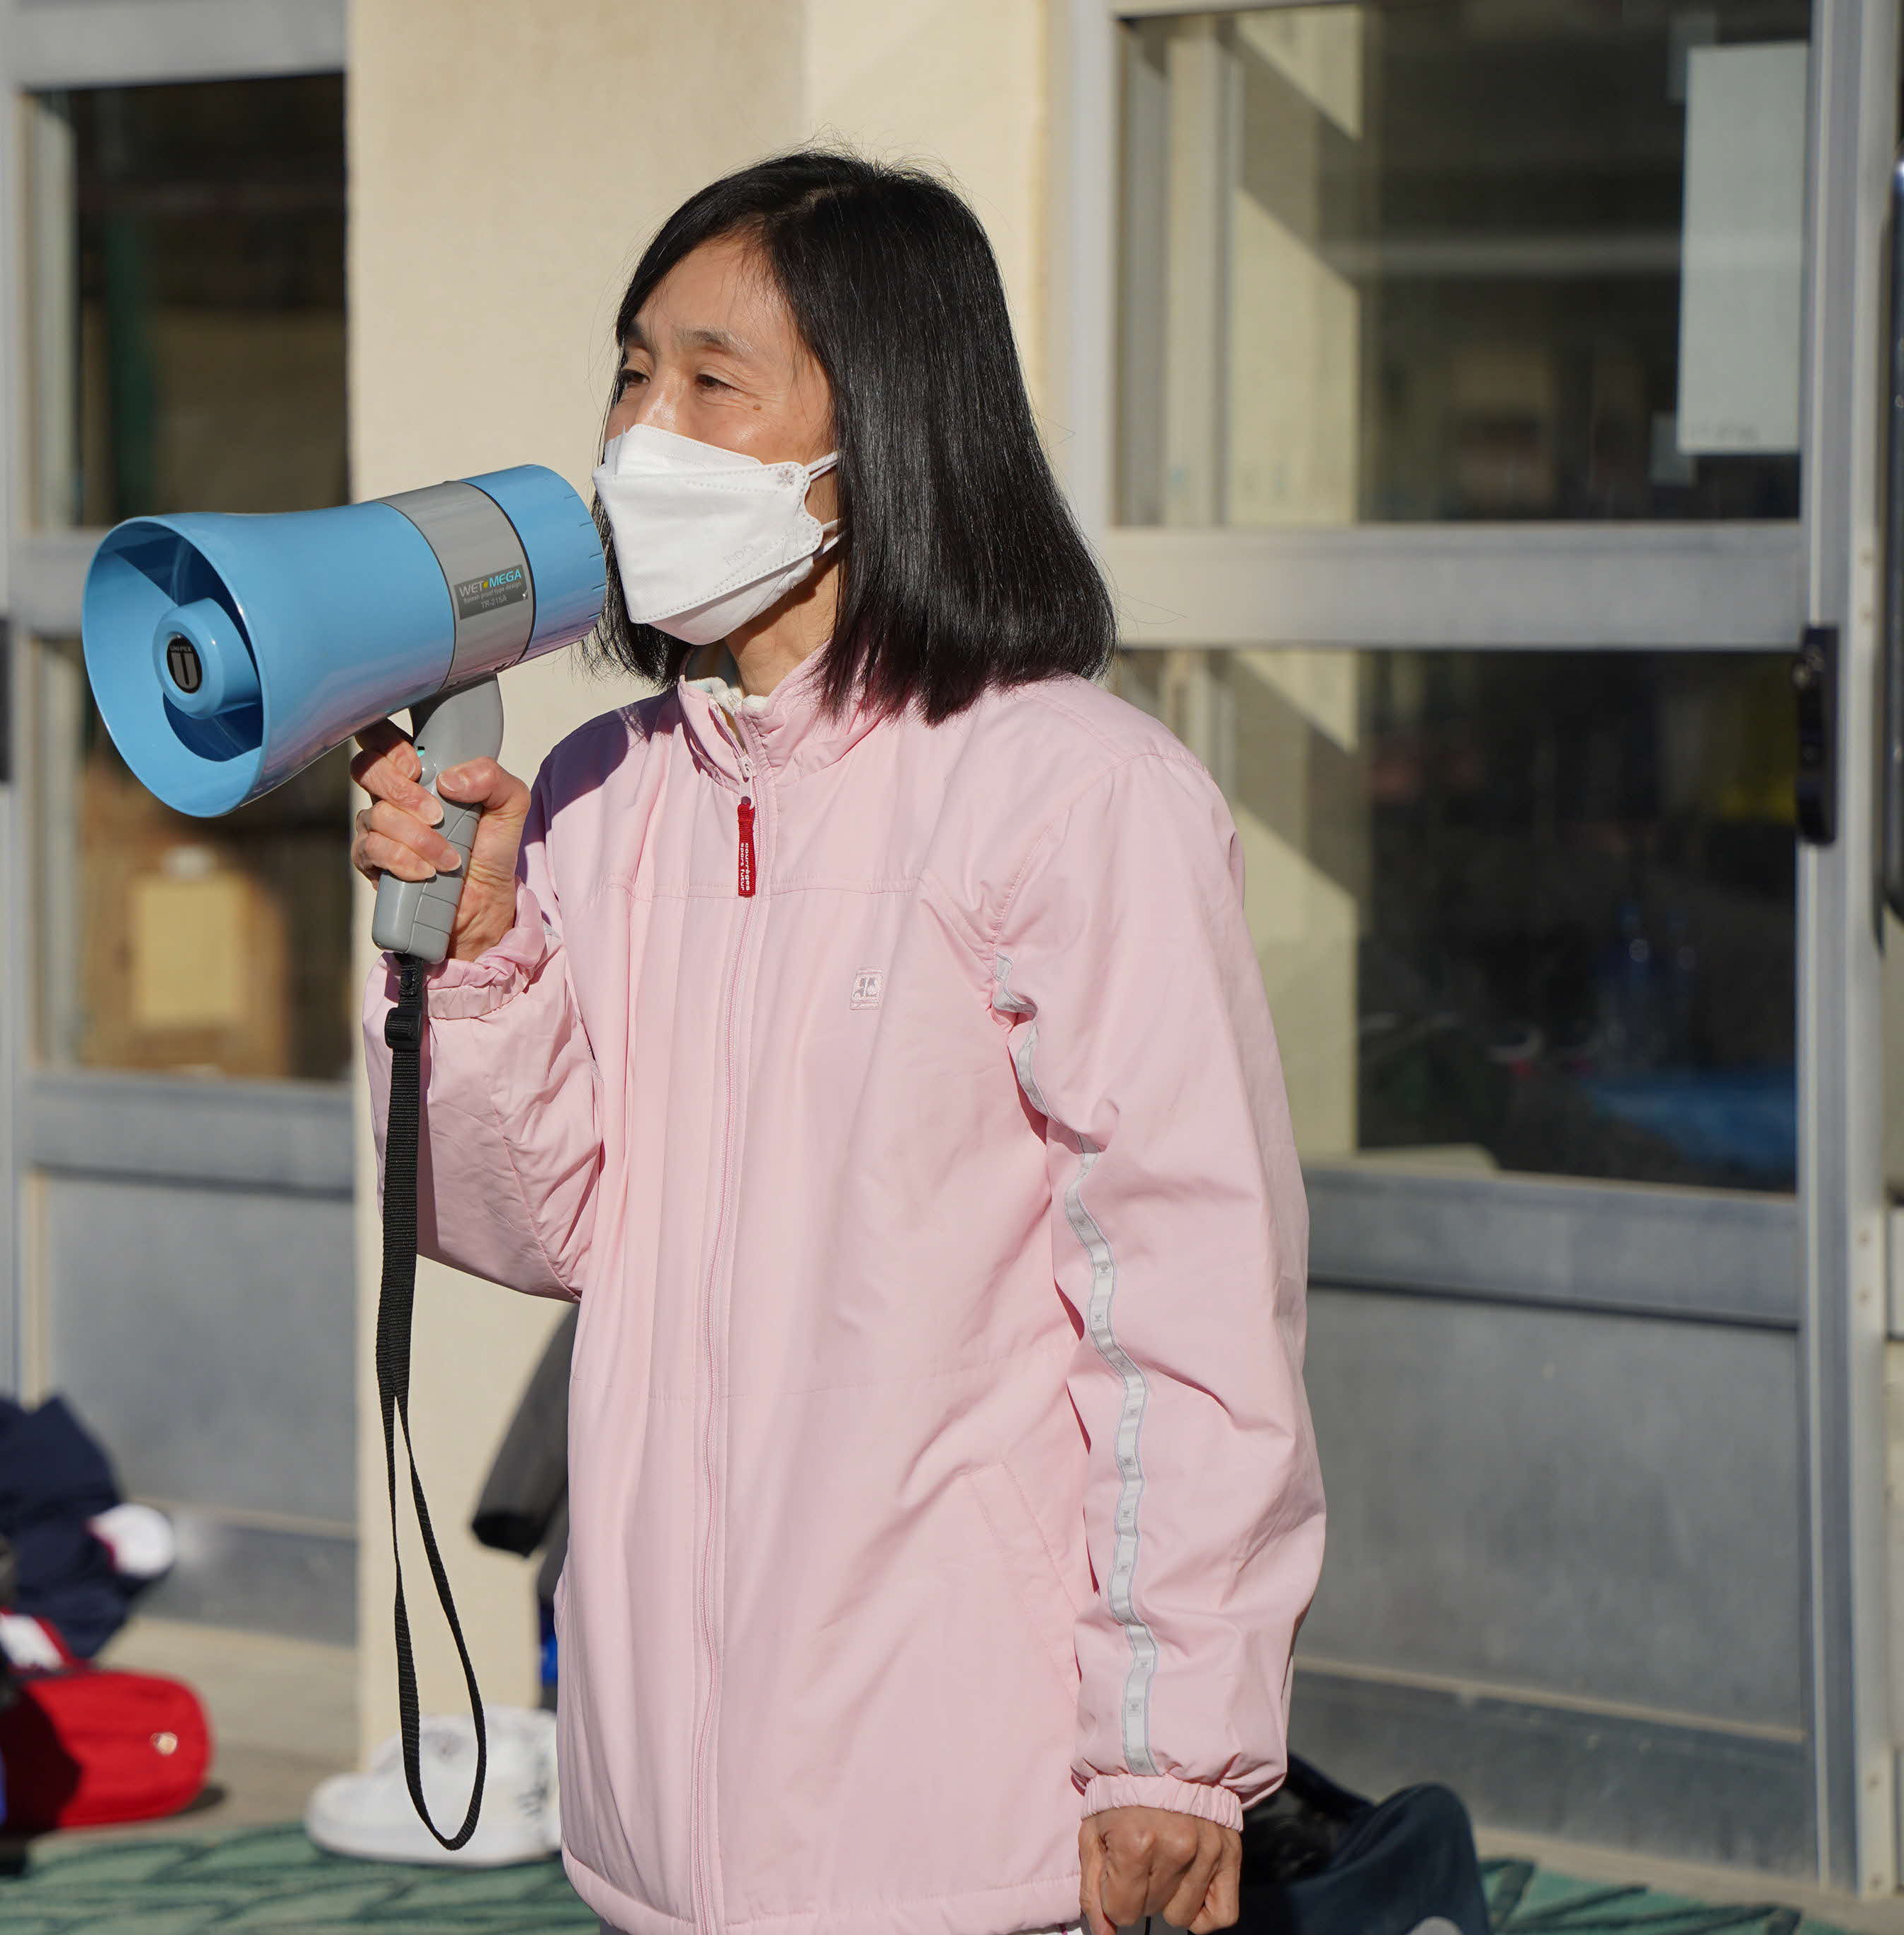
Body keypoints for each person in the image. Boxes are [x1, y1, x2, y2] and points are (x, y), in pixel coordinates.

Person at [351, 151, 1324, 1935]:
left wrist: (1169, 1748)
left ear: (878, 428)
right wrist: (476, 948)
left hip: (975, 1822)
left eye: (709, 381)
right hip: (661, 1824)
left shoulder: (1067, 794)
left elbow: (1187, 1300)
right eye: (630, 373)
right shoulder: (599, 794)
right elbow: (530, 1229)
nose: (640, 432)